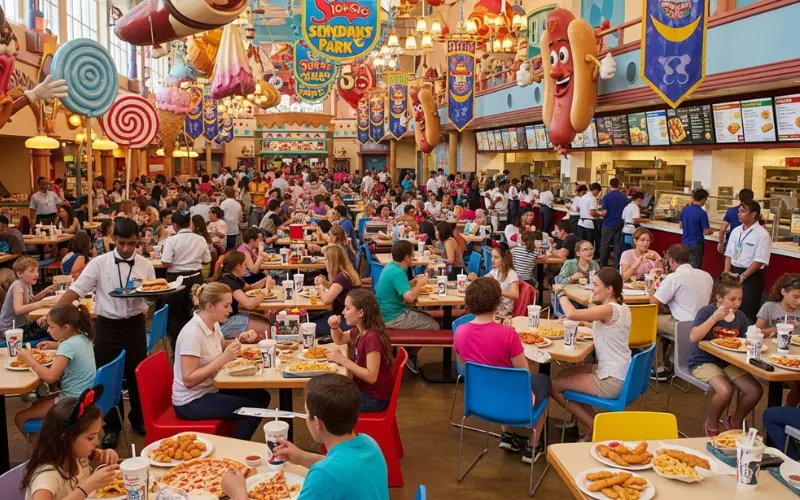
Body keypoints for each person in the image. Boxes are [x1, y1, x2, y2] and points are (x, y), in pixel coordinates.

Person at [55, 217, 155, 447]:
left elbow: (152, 296)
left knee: (136, 374)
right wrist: (56, 313)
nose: (126, 248)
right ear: (113, 240)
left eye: (131, 243)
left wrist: (151, 298)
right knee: (108, 379)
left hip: (134, 326)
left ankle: (139, 419)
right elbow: (76, 290)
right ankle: (111, 426)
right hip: (107, 326)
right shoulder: (99, 263)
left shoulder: (145, 265)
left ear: (137, 240)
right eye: (121, 243)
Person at [221, 374, 388, 500]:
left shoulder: (323, 477)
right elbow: (342, 467)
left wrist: (238, 493)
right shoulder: (369, 443)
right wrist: (301, 457)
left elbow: (330, 473)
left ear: (317, 423)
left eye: (306, 414)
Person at [454, 277, 550, 463]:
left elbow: (466, 370)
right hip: (513, 402)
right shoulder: (508, 335)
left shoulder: (460, 331)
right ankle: (532, 446)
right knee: (543, 381)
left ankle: (508, 436)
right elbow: (525, 374)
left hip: (479, 401)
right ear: (497, 302)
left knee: (497, 379)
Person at [171, 283, 270, 440]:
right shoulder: (193, 334)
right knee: (253, 409)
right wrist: (223, 359)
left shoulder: (213, 323)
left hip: (210, 388)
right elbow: (188, 380)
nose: (231, 310)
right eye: (226, 306)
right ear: (210, 306)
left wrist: (240, 339)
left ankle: (233, 438)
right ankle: (234, 450)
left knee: (262, 396)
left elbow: (222, 345)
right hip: (190, 401)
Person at [551, 268, 631, 440]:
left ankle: (595, 425)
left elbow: (571, 313)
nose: (592, 288)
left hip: (611, 379)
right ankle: (582, 424)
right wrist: (581, 321)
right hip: (623, 372)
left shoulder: (608, 309)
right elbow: (604, 327)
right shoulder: (622, 308)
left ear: (609, 289)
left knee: (554, 386)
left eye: (595, 285)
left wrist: (561, 292)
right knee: (565, 374)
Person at [689, 273, 762, 436]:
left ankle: (735, 421)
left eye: (740, 299)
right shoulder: (707, 311)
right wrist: (714, 318)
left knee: (755, 390)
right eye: (732, 299)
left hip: (729, 361)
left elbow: (743, 341)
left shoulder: (740, 317)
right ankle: (712, 422)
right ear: (719, 298)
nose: (737, 303)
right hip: (702, 360)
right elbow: (693, 337)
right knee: (725, 391)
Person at [22, 389, 121, 500]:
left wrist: (106, 453)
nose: (97, 442)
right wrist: (87, 487)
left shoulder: (76, 454)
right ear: (66, 438)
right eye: (90, 438)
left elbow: (95, 454)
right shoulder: (46, 477)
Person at [14, 304, 96, 433]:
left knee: (20, 417)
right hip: (86, 396)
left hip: (73, 402)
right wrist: (55, 345)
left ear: (66, 328)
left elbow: (50, 377)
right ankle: (53, 444)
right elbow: (73, 347)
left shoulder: (68, 346)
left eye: (51, 327)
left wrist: (28, 359)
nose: (48, 331)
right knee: (36, 405)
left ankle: (46, 452)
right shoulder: (84, 336)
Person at [326, 289, 394, 412]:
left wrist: (342, 360)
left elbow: (371, 376)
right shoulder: (359, 330)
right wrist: (334, 327)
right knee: (327, 394)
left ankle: (340, 431)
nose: (343, 312)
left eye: (347, 308)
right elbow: (340, 339)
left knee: (329, 405)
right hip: (364, 390)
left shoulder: (372, 338)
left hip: (375, 397)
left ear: (361, 312)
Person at [375, 240, 438, 371]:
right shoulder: (398, 272)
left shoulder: (390, 267)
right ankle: (410, 355)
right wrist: (420, 284)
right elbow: (409, 297)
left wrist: (412, 282)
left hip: (384, 314)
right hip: (393, 317)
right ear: (407, 258)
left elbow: (398, 287)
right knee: (434, 326)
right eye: (412, 255)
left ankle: (407, 351)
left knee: (426, 316)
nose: (413, 258)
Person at [161, 209, 212, 347]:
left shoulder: (171, 241)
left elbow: (165, 262)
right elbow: (207, 260)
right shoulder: (200, 239)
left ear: (174, 225)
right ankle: (196, 344)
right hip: (195, 278)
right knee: (195, 312)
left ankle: (178, 345)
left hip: (175, 279)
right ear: (190, 223)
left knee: (174, 315)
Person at [756, 273, 800, 406]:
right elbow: (756, 332)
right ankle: (782, 417)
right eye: (796, 297)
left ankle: (786, 416)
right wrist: (775, 330)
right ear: (783, 292)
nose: (799, 302)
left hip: (795, 358)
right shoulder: (769, 307)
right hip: (772, 358)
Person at [724, 199, 771, 321]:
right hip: (734, 272)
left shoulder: (762, 234)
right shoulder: (736, 231)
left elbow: (759, 260)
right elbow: (729, 253)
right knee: (729, 308)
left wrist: (743, 277)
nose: (739, 214)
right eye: (739, 211)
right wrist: (726, 273)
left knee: (747, 311)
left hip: (751, 276)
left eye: (743, 211)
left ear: (753, 214)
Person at [213, 251, 272, 340]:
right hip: (225, 322)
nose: (246, 267)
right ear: (238, 266)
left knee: (268, 320)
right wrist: (265, 292)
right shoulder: (228, 281)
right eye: (245, 264)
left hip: (232, 315)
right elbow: (249, 305)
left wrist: (265, 280)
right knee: (268, 328)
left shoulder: (232, 277)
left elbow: (249, 288)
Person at [0, 257, 56, 335]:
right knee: (51, 330)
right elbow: (18, 309)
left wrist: (45, 291)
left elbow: (31, 301)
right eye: (32, 271)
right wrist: (42, 303)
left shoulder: (27, 284)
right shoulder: (18, 286)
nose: (36, 274)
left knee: (51, 326)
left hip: (23, 325)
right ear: (20, 274)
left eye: (36, 270)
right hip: (12, 330)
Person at [313, 245, 360, 335]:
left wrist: (321, 286)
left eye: (326, 260)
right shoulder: (346, 273)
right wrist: (324, 282)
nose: (325, 263)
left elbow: (327, 299)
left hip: (346, 321)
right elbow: (335, 288)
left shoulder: (342, 277)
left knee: (310, 328)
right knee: (310, 320)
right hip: (348, 317)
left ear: (332, 262)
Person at [469, 243, 519, 318]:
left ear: (504, 259)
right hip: (495, 307)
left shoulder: (511, 274)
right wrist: (476, 279)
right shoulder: (495, 271)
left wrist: (498, 291)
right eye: (492, 256)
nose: (492, 260)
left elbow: (516, 295)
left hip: (505, 312)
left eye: (496, 257)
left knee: (477, 308)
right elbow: (483, 280)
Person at [679, 188, 713, 268]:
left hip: (685, 242)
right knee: (694, 269)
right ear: (703, 199)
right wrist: (712, 231)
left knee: (685, 267)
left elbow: (681, 225)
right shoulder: (702, 213)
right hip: (697, 244)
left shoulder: (685, 209)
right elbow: (707, 231)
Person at [718, 188, 754, 254]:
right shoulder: (753, 213)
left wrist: (720, 242)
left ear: (739, 198)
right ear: (752, 198)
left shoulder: (731, 211)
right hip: (748, 244)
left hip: (732, 242)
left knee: (729, 262)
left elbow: (723, 229)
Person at [192, 215, 216, 279]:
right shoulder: (207, 236)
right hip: (208, 268)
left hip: (201, 270)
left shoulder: (198, 238)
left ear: (195, 225)